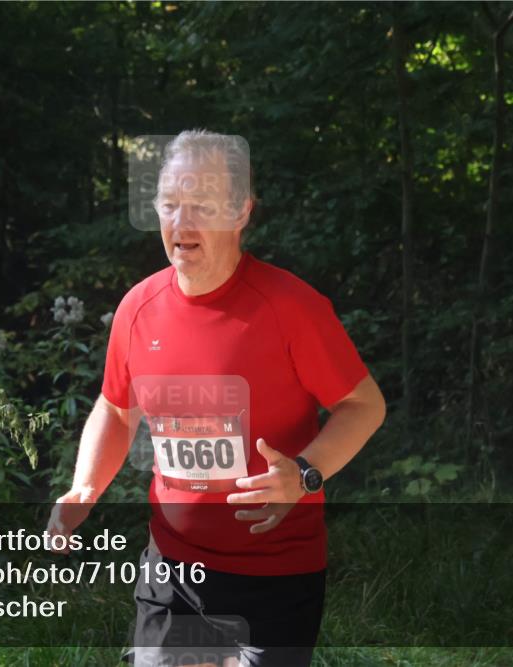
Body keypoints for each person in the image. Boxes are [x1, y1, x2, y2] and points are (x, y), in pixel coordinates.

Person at [46, 130, 386, 667]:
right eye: (169, 205)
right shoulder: (138, 308)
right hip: (172, 569)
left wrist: (305, 472)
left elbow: (364, 405)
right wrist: (85, 486)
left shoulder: (290, 307)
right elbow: (115, 407)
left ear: (240, 212)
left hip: (275, 574)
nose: (181, 225)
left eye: (201, 206)